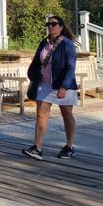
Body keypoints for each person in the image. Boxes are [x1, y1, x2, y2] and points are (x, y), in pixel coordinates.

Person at [22, 15, 78, 161]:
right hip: (45, 84)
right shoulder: (44, 43)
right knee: (41, 115)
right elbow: (36, 61)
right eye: (49, 24)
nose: (51, 27)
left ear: (61, 26)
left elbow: (71, 67)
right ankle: (37, 148)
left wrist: (64, 86)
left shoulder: (67, 44)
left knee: (67, 115)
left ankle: (69, 146)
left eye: (54, 24)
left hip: (63, 85)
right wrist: (33, 75)